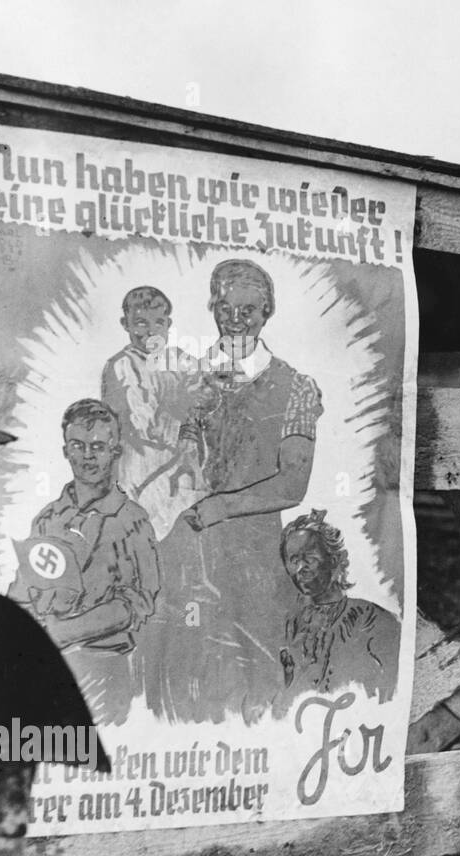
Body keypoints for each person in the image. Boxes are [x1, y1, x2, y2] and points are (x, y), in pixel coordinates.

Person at [147, 259, 323, 723]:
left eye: (250, 310)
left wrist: (221, 507)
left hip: (257, 556)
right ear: (212, 309)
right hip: (189, 548)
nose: (238, 320)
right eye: (227, 309)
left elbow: (293, 483)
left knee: (258, 673)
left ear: (268, 311)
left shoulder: (295, 387)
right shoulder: (188, 379)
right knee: (181, 661)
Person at [7, 399, 159, 724]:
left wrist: (64, 632)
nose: (87, 456)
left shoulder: (132, 520)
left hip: (103, 666)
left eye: (98, 447)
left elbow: (137, 602)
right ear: (65, 451)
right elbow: (22, 594)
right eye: (78, 445)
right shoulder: (47, 519)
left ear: (115, 452)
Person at [100, 285, 203, 539]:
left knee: (188, 521)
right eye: (141, 323)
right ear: (126, 324)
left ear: (169, 324)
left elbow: (201, 397)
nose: (151, 331)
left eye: (159, 322)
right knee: (145, 528)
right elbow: (138, 421)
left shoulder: (181, 360)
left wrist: (190, 424)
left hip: (180, 458)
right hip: (139, 462)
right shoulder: (123, 365)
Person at [275, 509, 401, 710]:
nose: (301, 568)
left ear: (333, 560)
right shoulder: (290, 625)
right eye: (294, 560)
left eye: (309, 558)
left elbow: (391, 692)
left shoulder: (371, 618)